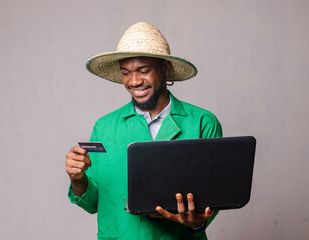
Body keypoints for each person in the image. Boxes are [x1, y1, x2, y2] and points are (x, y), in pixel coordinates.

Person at [66, 22, 222, 239]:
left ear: (165, 68)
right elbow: (92, 203)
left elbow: (213, 200)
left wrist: (195, 223)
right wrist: (78, 178)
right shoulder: (104, 128)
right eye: (126, 73)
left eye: (144, 70)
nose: (134, 81)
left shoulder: (202, 123)